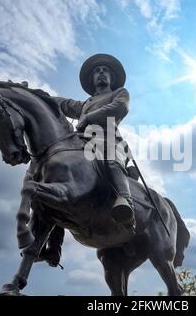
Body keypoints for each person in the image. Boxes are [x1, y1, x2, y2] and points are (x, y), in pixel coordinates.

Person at [38, 54, 135, 267]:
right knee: (60, 179)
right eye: (97, 71)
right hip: (83, 142)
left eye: (104, 70)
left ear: (111, 77)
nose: (100, 73)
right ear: (92, 80)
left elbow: (120, 108)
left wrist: (89, 118)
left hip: (109, 139)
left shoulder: (120, 93)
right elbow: (62, 103)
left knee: (110, 159)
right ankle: (53, 247)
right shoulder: (85, 104)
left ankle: (124, 200)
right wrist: (36, 95)